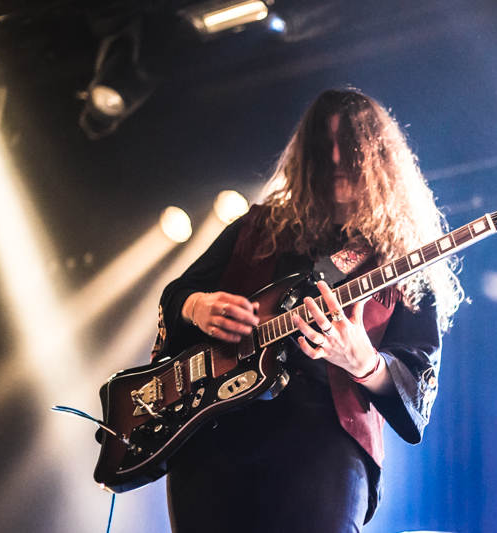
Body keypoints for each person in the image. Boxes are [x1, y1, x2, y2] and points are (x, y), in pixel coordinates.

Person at [151, 88, 464, 532]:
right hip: (215, 432)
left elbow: (418, 388)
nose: (334, 158)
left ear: (378, 156)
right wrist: (197, 306)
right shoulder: (258, 228)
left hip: (325, 438)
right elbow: (177, 294)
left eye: (349, 146)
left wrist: (366, 363)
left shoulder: (406, 258)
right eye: (322, 146)